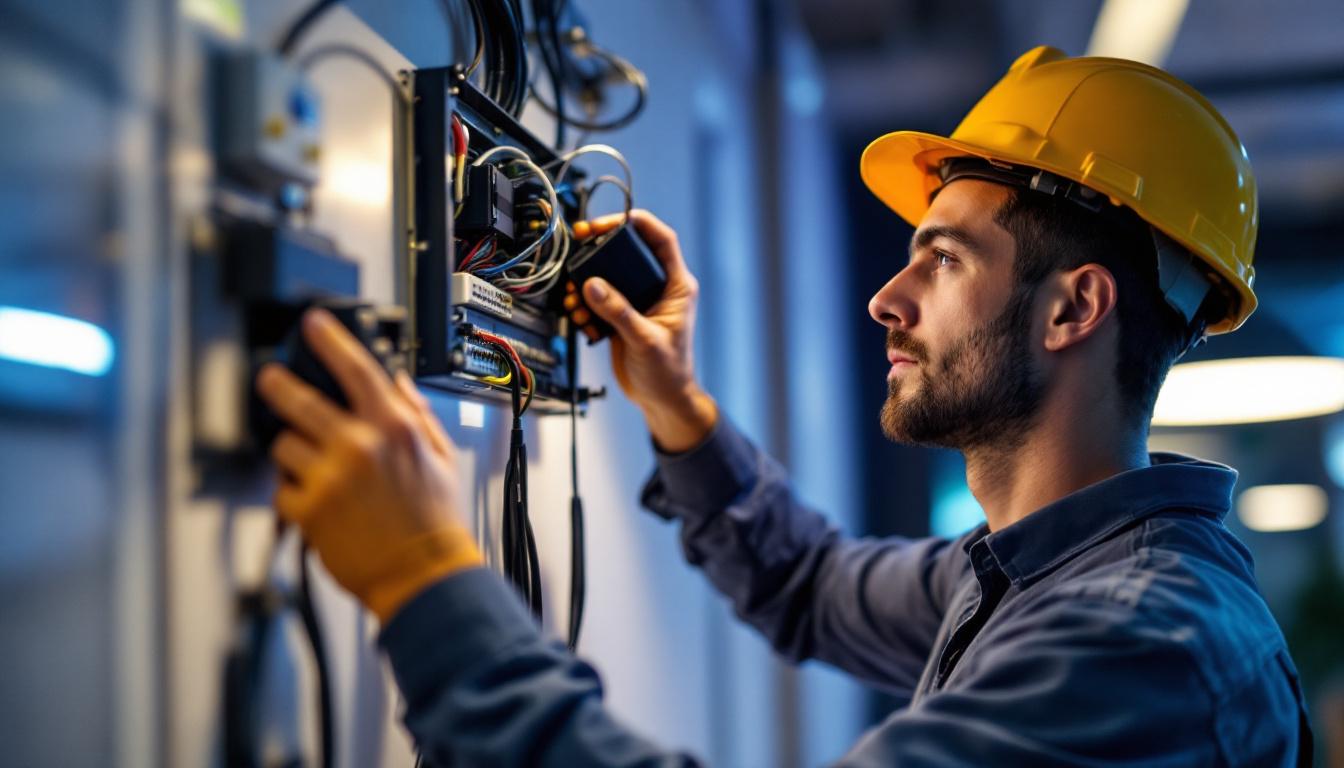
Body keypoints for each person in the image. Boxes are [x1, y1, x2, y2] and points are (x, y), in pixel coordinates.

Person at [255, 46, 1312, 765]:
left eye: (943, 260)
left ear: (1073, 309)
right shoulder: (1032, 573)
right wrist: (678, 406)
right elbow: (807, 584)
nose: (886, 299)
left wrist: (421, 578)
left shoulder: (1138, 646)